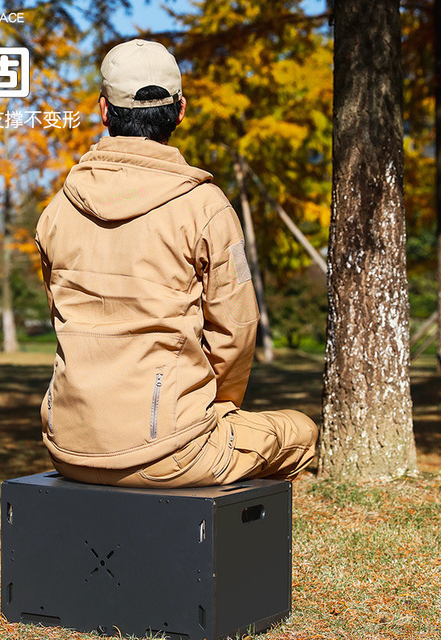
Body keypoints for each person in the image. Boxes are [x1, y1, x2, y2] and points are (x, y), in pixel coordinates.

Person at [35, 38, 318, 488]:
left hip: (67, 447)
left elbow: (59, 312)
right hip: (173, 452)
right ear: (180, 110)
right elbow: (237, 328)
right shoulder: (206, 207)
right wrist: (220, 406)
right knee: (300, 432)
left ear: (104, 111)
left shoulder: (57, 210)